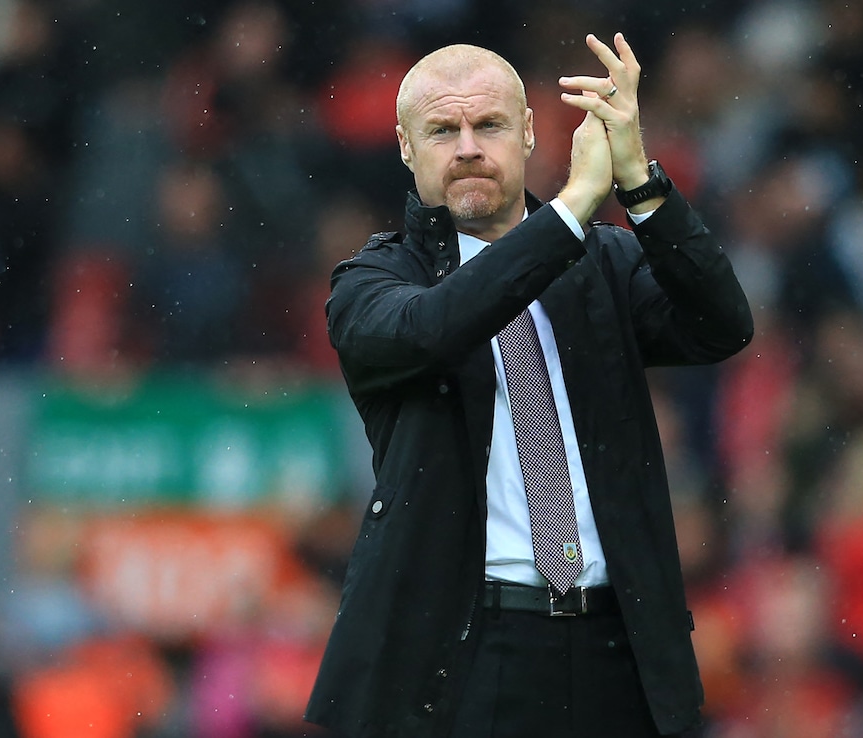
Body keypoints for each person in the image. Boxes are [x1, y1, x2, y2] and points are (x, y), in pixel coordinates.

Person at [304, 32, 753, 738]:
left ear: (530, 132)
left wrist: (639, 183)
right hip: (466, 653)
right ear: (405, 147)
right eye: (442, 131)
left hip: (620, 643)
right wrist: (571, 209)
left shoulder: (604, 261)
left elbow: (721, 326)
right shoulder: (374, 280)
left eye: (489, 124)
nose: (468, 148)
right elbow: (434, 330)